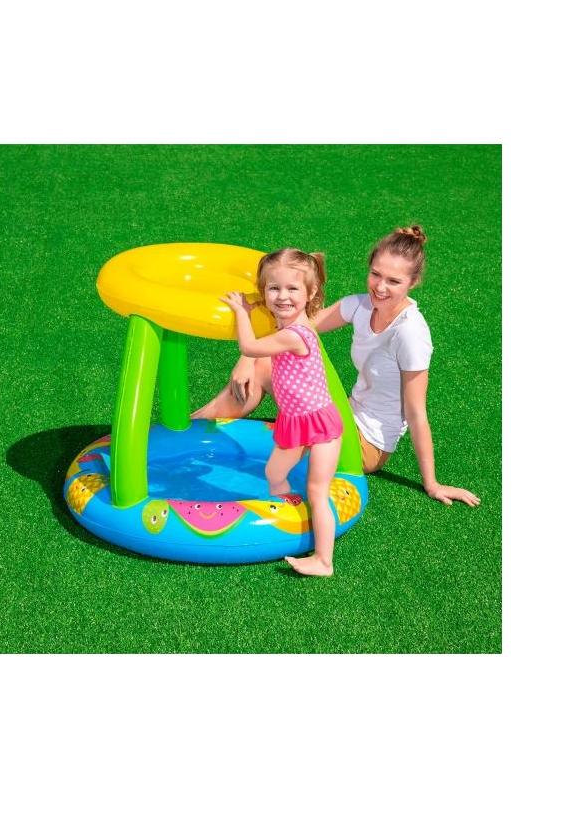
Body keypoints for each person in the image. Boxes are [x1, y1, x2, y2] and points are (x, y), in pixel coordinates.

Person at [197, 225, 480, 508]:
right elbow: (299, 326)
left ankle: (194, 429)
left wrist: (432, 484)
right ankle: (194, 427)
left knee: (264, 369)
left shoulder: (410, 334)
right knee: (262, 364)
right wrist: (247, 359)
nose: (380, 287)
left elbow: (417, 413)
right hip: (346, 411)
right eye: (376, 274)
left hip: (367, 444)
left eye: (393, 281)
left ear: (413, 282)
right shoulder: (361, 305)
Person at [220, 247, 344, 578]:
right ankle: (288, 518)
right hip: (295, 422)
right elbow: (273, 307)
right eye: (274, 288)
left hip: (319, 424)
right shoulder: (286, 321)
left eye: (292, 289)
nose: (282, 297)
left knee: (318, 491)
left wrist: (241, 311)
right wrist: (257, 302)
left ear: (311, 293)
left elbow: (249, 347)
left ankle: (323, 560)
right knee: (274, 474)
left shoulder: (294, 334)